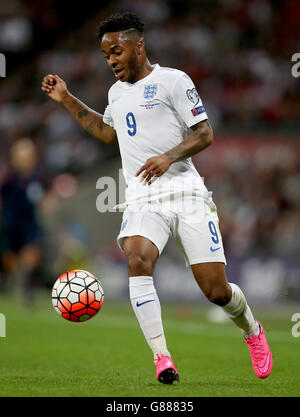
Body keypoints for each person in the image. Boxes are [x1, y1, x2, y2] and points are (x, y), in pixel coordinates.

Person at [41, 12, 273, 384]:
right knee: (137, 257)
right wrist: (67, 99)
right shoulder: (115, 93)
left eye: (117, 51)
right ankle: (162, 358)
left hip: (187, 194)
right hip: (143, 196)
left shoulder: (173, 81)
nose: (112, 60)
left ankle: (252, 330)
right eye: (106, 56)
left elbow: (205, 133)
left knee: (216, 291)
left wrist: (168, 156)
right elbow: (106, 132)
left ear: (138, 46)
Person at [0, 138, 43, 306]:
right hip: (10, 225)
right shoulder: (9, 179)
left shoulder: (37, 178)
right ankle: (14, 282)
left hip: (30, 225)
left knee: (31, 256)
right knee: (10, 259)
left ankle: (26, 288)